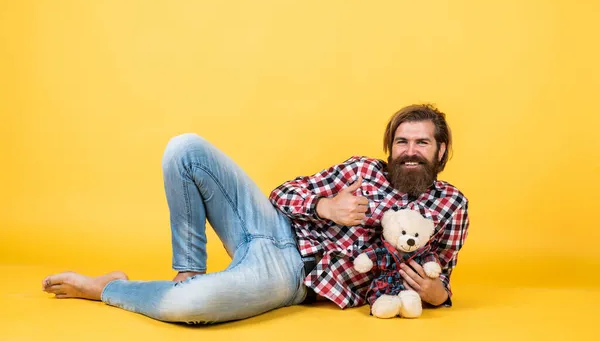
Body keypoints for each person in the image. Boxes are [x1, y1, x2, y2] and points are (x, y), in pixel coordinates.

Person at [42, 104, 469, 324]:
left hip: (290, 276)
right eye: (402, 142)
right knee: (185, 148)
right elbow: (282, 193)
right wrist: (326, 206)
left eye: (422, 143)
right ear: (390, 147)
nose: (410, 151)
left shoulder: (451, 204)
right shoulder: (361, 169)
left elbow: (440, 275)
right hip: (271, 226)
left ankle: (110, 288)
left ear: (441, 150)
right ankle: (187, 271)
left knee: (195, 308)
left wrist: (440, 296)